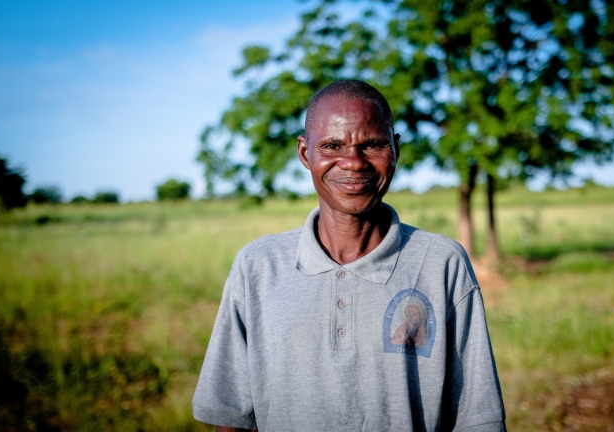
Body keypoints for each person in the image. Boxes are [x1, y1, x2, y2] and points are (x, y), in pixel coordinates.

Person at [192, 80, 507, 431]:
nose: (354, 163)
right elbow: (231, 417)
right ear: (305, 153)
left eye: (372, 145)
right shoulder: (258, 266)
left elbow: (477, 417)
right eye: (332, 145)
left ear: (395, 149)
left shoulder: (441, 263)